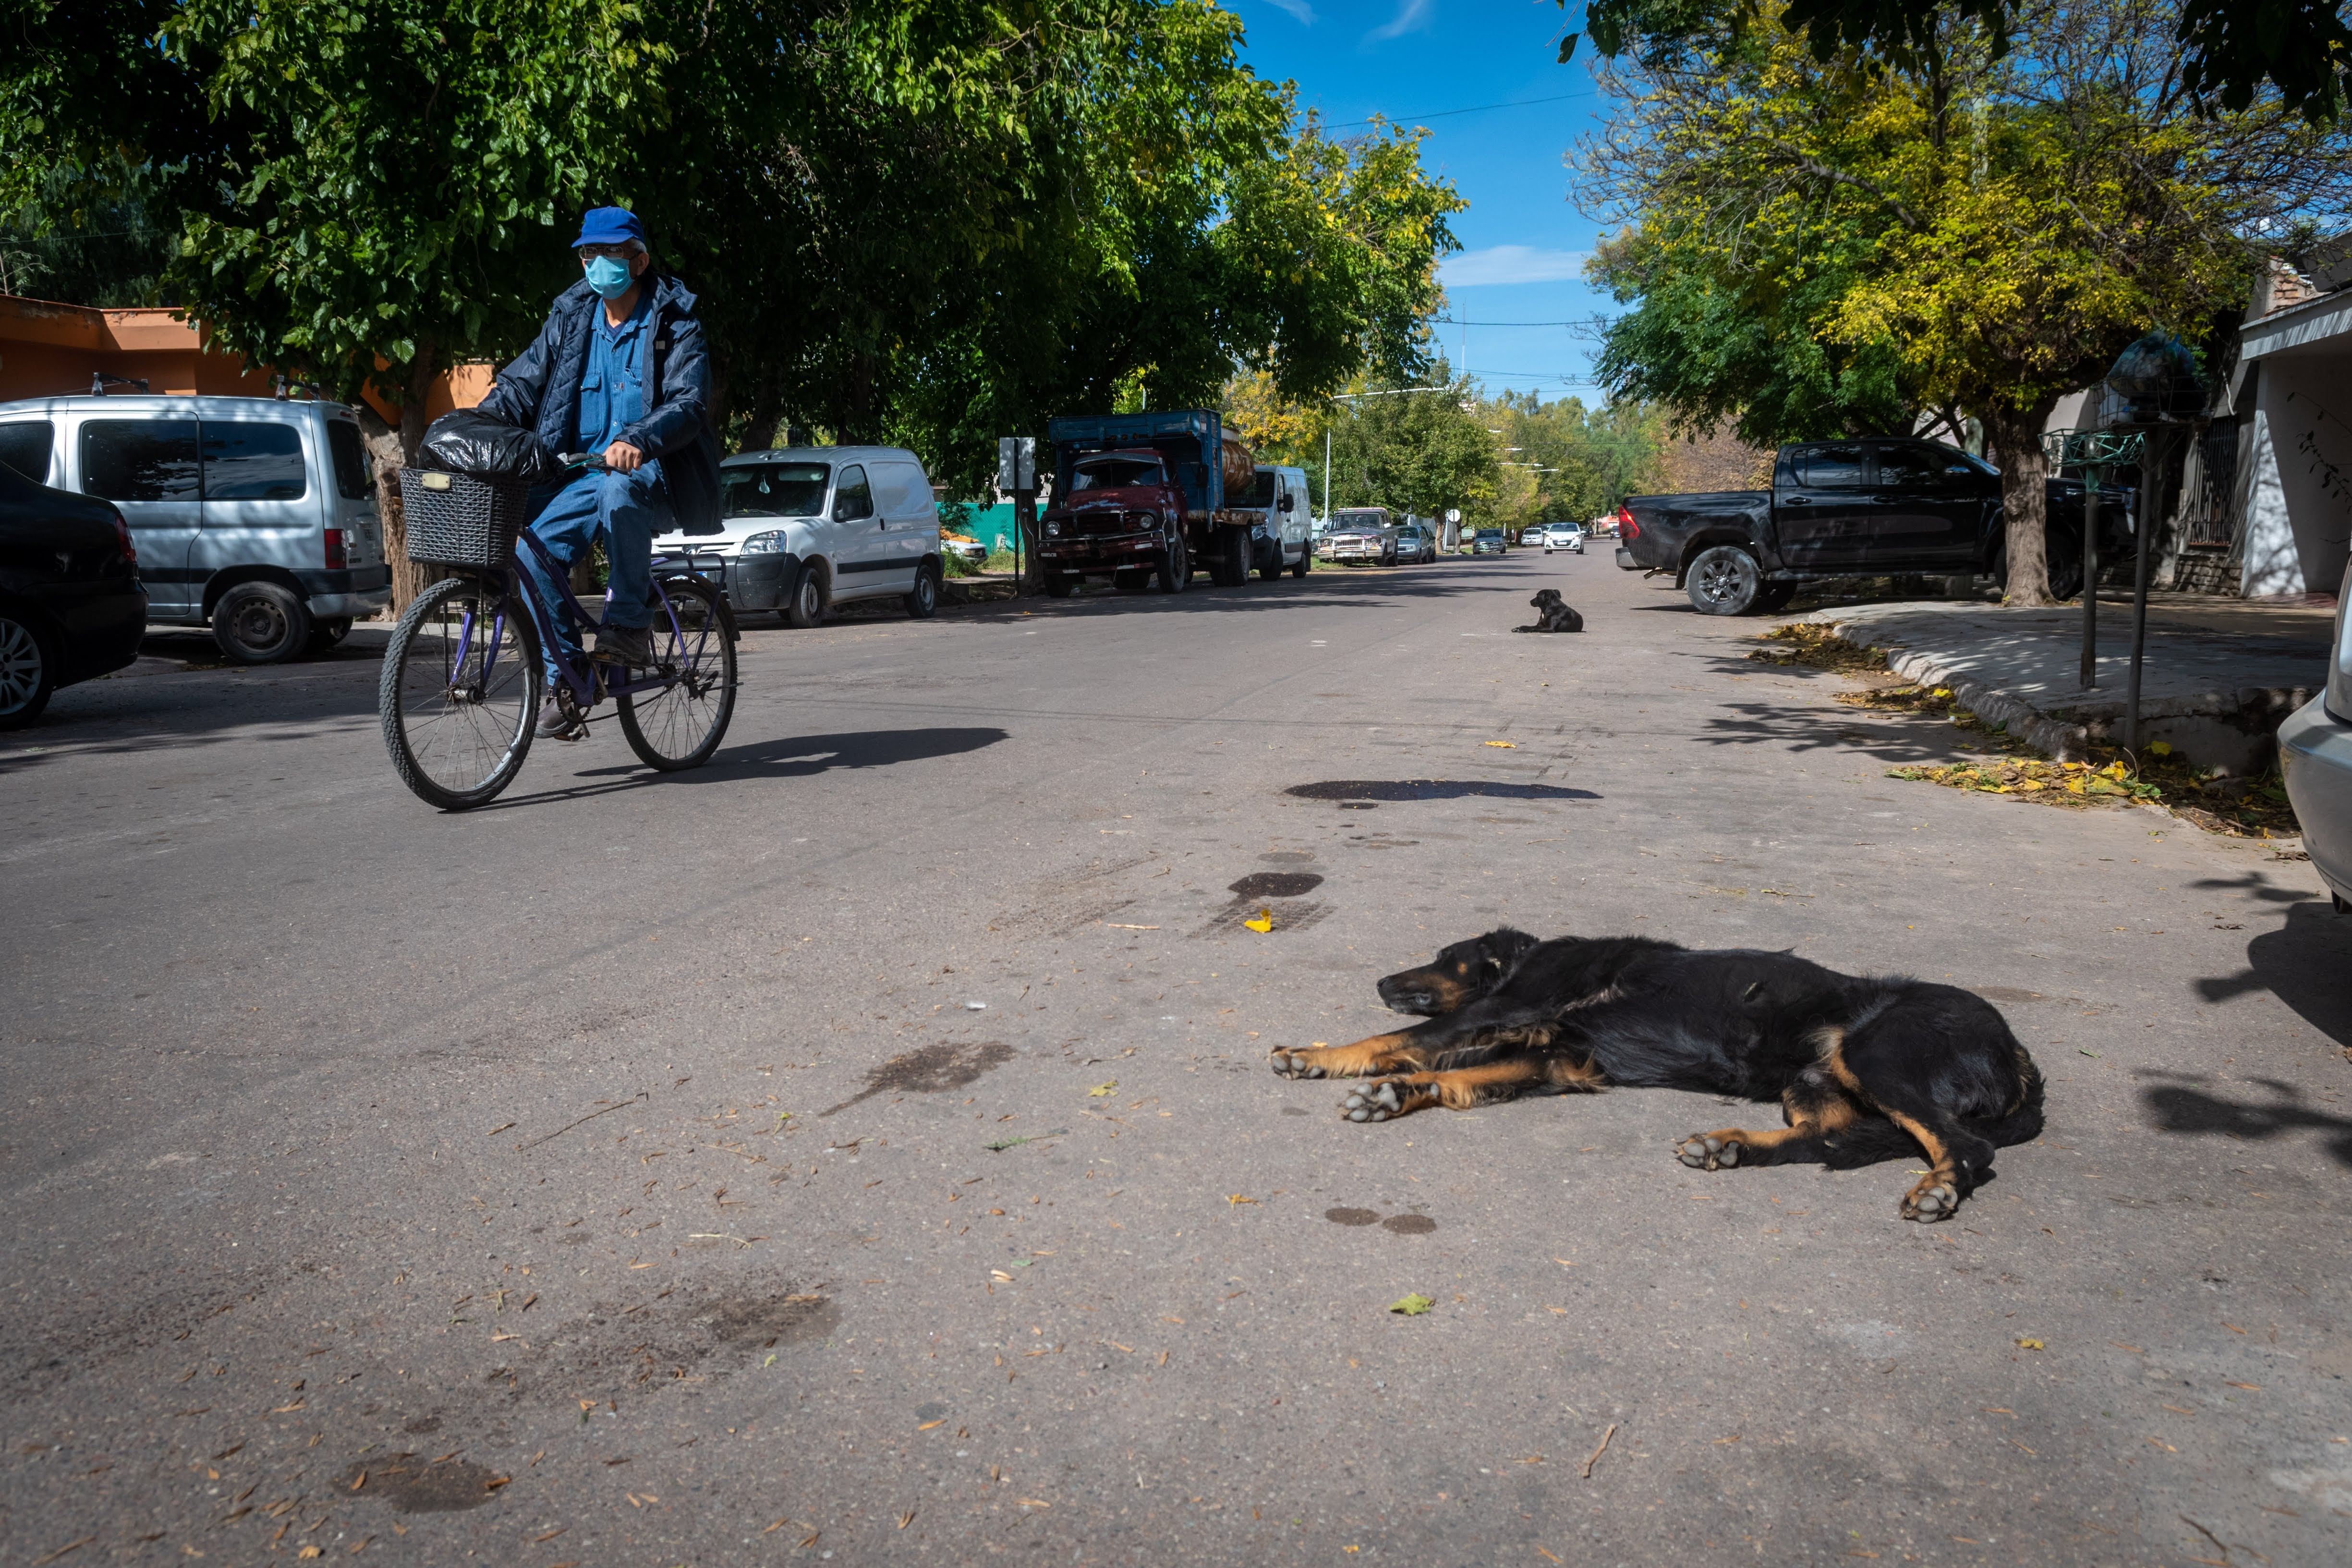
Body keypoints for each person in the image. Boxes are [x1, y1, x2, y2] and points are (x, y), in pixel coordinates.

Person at [476, 206, 722, 739]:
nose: (595, 265)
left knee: (618, 490)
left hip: (653, 474)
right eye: (588, 254)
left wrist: (638, 439)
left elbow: (687, 401)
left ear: (638, 261)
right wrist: (485, 413)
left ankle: (629, 624)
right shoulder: (571, 316)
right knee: (528, 551)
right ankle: (568, 679)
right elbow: (524, 381)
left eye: (608, 254)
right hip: (577, 477)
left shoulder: (676, 320)